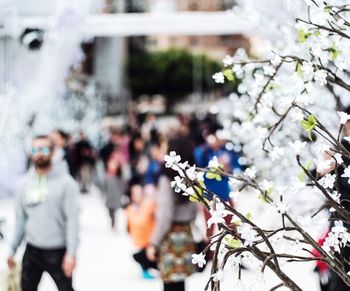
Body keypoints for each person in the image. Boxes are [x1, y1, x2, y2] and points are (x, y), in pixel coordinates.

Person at [6, 135, 80, 291]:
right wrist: (12, 250)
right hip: (32, 250)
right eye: (35, 149)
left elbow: (72, 221)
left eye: (44, 149)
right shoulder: (24, 185)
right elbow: (20, 221)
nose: (39, 153)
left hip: (58, 251)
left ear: (53, 152)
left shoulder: (67, 184)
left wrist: (71, 253)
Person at [146, 138, 197, 291]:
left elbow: (165, 216)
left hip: (170, 238)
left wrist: (153, 242)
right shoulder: (191, 178)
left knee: (170, 286)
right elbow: (194, 212)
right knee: (180, 286)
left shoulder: (165, 178)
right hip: (186, 234)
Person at [125, 183, 157, 279]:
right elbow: (138, 222)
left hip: (150, 237)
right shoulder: (131, 209)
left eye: (140, 193)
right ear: (132, 196)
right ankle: (145, 269)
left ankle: (149, 268)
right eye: (136, 194)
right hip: (140, 238)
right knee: (141, 256)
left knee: (151, 255)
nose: (138, 196)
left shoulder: (148, 205)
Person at [102, 158, 125, 229]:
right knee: (110, 210)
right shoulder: (106, 176)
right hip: (109, 196)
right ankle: (112, 219)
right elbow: (104, 186)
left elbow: (122, 185)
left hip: (116, 195)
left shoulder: (119, 176)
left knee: (114, 209)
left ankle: (114, 221)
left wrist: (122, 192)